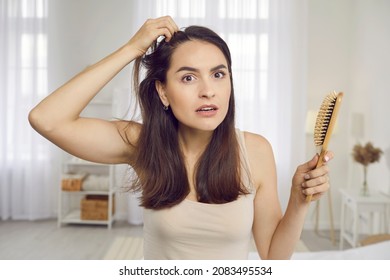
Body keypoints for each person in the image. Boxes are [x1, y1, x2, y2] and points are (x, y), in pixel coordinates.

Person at [29, 16, 333, 260]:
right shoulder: (142, 144)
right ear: (163, 91)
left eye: (218, 74)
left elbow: (273, 257)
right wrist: (131, 49)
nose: (208, 90)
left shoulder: (255, 151)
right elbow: (47, 119)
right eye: (188, 77)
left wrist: (298, 200)